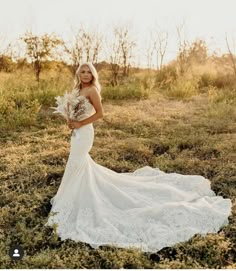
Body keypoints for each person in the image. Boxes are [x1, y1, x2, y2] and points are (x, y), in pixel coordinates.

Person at [45, 62, 232, 253]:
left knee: (78, 162)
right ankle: (71, 196)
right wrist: (70, 120)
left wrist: (80, 123)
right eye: (82, 71)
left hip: (85, 133)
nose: (85, 74)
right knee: (77, 163)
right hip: (76, 133)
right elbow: (72, 110)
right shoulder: (77, 89)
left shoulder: (92, 90)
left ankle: (76, 198)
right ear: (79, 73)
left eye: (88, 72)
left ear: (93, 75)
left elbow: (100, 114)